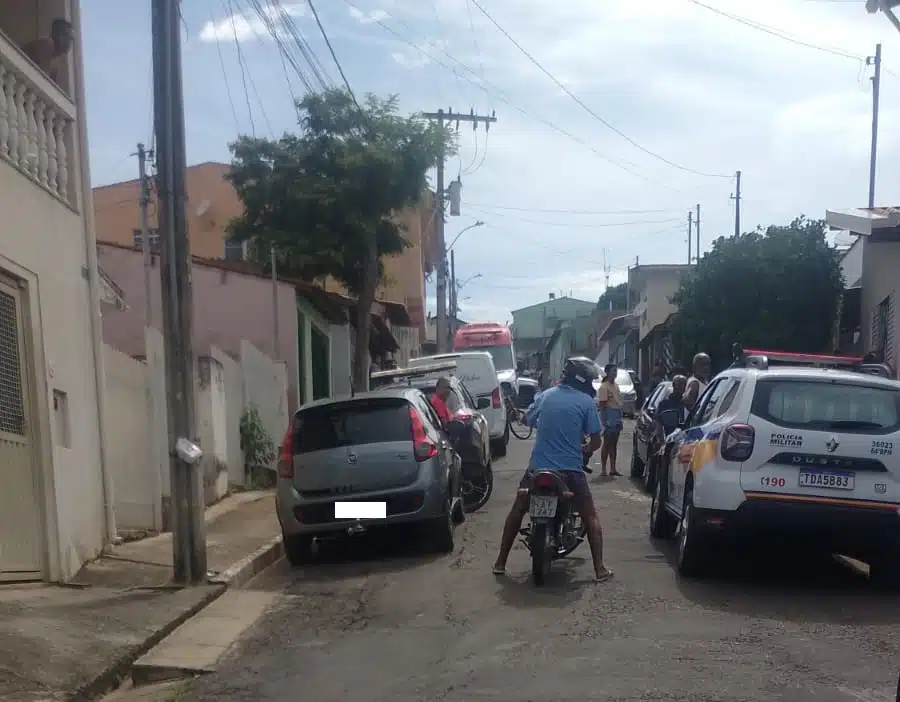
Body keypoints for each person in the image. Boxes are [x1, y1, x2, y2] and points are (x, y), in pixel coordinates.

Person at [492, 357, 613, 583]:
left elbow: (527, 419)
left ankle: (500, 562)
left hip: (538, 470)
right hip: (570, 473)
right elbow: (597, 442)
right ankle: (599, 569)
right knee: (590, 516)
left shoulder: (545, 396)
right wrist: (585, 448)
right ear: (583, 380)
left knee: (518, 510)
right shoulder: (586, 403)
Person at [23, 19, 74, 86]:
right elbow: (40, 78)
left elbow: (52, 86)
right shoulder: (47, 44)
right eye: (69, 38)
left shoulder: (56, 61)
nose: (70, 42)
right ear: (60, 37)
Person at [597, 363, 624, 477]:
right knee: (607, 444)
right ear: (607, 373)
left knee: (614, 443)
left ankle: (613, 468)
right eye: (613, 371)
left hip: (617, 415)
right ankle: (603, 469)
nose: (615, 373)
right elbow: (602, 406)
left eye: (616, 371)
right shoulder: (604, 387)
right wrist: (604, 422)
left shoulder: (616, 386)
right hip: (609, 416)